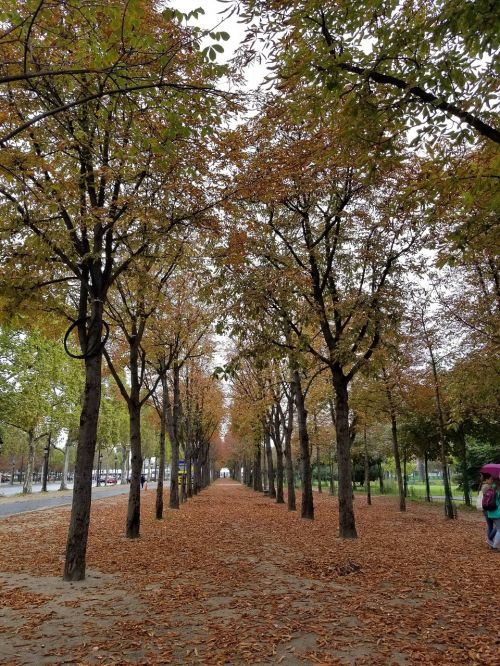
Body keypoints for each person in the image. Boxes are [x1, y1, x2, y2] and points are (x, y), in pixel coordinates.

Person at [479, 473, 496, 544]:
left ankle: (490, 541)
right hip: (489, 508)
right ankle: (489, 539)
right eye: (491, 479)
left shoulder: (483, 485)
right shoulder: (487, 487)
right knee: (497, 526)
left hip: (485, 508)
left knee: (490, 526)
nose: (492, 480)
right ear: (486, 479)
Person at [485, 476, 500, 549]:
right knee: (499, 529)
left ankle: (490, 541)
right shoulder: (498, 490)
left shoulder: (491, 488)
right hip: (497, 512)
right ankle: (494, 545)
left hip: (490, 512)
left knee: (496, 528)